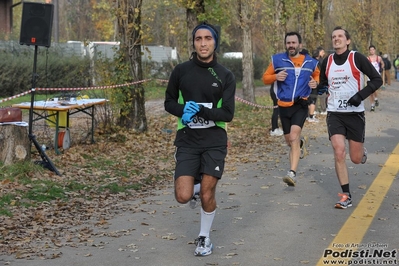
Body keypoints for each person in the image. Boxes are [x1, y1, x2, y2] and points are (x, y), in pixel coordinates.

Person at [164, 22, 235, 257]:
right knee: (183, 196)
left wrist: (200, 111)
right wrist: (183, 111)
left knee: (207, 193)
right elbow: (169, 102)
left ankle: (204, 238)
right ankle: (195, 187)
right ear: (193, 43)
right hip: (187, 139)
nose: (203, 43)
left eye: (208, 39)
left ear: (215, 42)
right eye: (198, 39)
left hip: (215, 139)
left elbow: (228, 114)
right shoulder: (181, 71)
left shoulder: (225, 75)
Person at [319, 26, 383, 209]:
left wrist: (359, 96)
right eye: (333, 36)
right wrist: (317, 86)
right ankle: (345, 195)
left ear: (347, 41)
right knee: (339, 151)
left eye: (340, 36)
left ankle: (362, 153)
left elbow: (376, 80)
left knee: (355, 158)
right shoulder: (327, 61)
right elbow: (323, 85)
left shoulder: (357, 58)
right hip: (334, 113)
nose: (336, 39)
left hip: (354, 114)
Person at [262, 32, 320, 186]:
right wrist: (275, 77)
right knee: (290, 141)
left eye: (294, 43)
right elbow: (265, 78)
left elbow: (317, 75)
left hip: (300, 104)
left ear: (300, 45)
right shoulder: (277, 60)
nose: (291, 46)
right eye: (288, 43)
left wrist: (315, 82)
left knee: (293, 136)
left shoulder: (310, 62)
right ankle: (300, 144)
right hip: (283, 106)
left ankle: (292, 173)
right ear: (285, 44)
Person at [367, 45, 384, 111]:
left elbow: (382, 64)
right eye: (370, 50)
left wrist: (381, 68)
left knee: (374, 89)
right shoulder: (368, 58)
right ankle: (372, 105)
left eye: (373, 50)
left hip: (376, 77)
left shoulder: (378, 58)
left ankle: (376, 98)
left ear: (375, 50)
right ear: (369, 51)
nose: (372, 51)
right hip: (370, 76)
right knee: (370, 92)